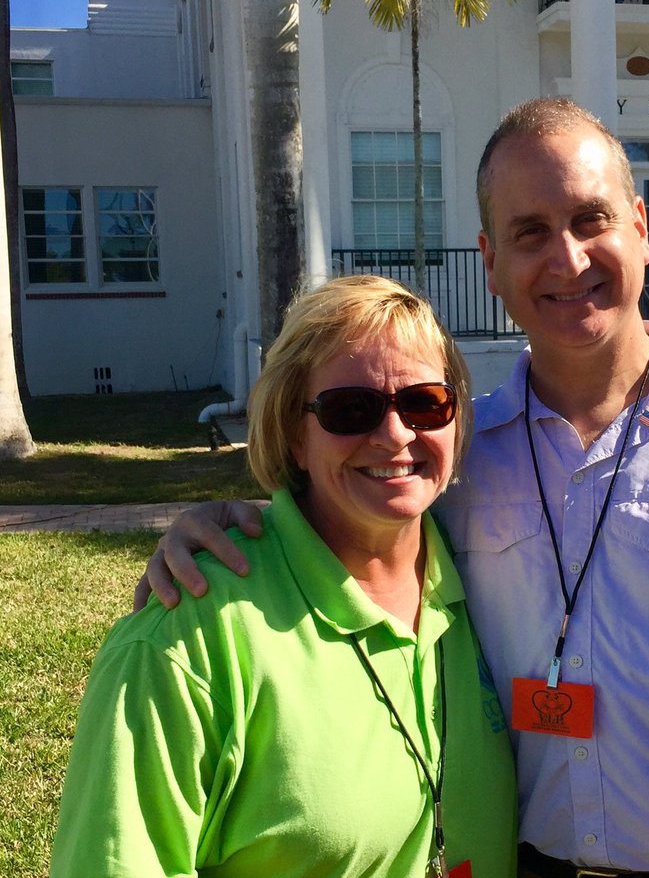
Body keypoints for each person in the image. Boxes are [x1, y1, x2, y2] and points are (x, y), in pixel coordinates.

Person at [141, 99, 649, 878]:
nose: (567, 259)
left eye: (591, 219)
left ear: (641, 228)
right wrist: (237, 524)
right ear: (491, 261)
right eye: (530, 233)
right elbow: (356, 530)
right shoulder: (456, 460)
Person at [51, 275, 517, 878]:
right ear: (295, 435)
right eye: (350, 409)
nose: (396, 434)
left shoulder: (487, 573)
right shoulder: (187, 637)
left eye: (425, 402)